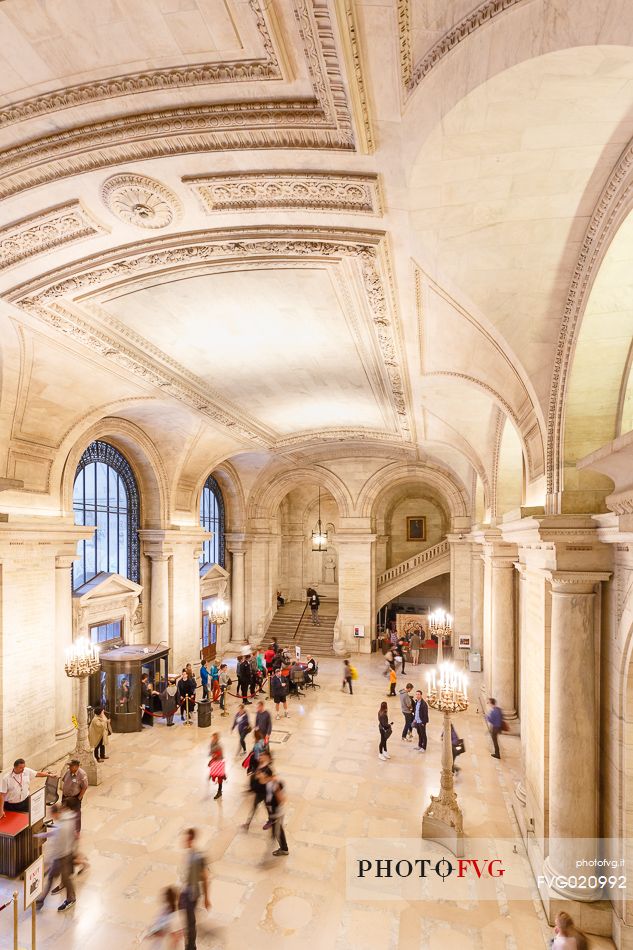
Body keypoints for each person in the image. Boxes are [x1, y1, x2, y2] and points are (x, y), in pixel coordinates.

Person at [35, 802, 77, 912]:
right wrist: (44, 835)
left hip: (62, 857)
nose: (51, 817)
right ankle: (41, 900)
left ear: (56, 813)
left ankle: (71, 899)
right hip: (68, 852)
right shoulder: (68, 818)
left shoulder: (61, 827)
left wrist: (48, 861)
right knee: (59, 878)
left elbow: (56, 846)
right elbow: (59, 832)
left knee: (63, 879)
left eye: (51, 815)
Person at [180, 828, 210, 950]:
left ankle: (191, 947)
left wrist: (207, 898)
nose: (183, 841)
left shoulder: (198, 857)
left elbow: (205, 878)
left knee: (190, 924)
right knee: (188, 922)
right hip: (187, 892)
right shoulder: (190, 854)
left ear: (191, 839)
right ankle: (189, 945)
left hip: (192, 895)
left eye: (186, 838)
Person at [242, 750, 272, 831]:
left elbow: (268, 781)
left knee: (268, 807)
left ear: (267, 758)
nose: (260, 757)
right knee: (254, 807)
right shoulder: (259, 765)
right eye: (260, 755)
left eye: (262, 756)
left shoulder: (268, 769)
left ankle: (271, 820)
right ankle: (247, 824)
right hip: (259, 792)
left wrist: (260, 777)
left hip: (265, 792)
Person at [264, 764, 289, 856]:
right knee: (276, 828)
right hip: (273, 812)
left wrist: (277, 790)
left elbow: (282, 800)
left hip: (277, 812)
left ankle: (284, 849)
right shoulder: (267, 783)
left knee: (279, 831)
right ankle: (274, 833)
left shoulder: (276, 784)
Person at [61, 760, 88, 832]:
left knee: (76, 815)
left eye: (71, 766)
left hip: (75, 797)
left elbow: (84, 787)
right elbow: (64, 780)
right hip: (65, 796)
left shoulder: (82, 775)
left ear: (76, 767)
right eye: (69, 765)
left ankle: (77, 831)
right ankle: (66, 829)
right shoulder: (68, 772)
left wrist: (79, 798)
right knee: (64, 813)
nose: (69, 767)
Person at [208, 733, 226, 800]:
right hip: (215, 762)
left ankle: (219, 791)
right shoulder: (212, 744)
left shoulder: (219, 746)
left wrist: (216, 756)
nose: (212, 739)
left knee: (220, 778)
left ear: (217, 739)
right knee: (218, 774)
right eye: (212, 738)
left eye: (214, 738)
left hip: (218, 762)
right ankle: (223, 775)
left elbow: (220, 755)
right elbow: (211, 753)